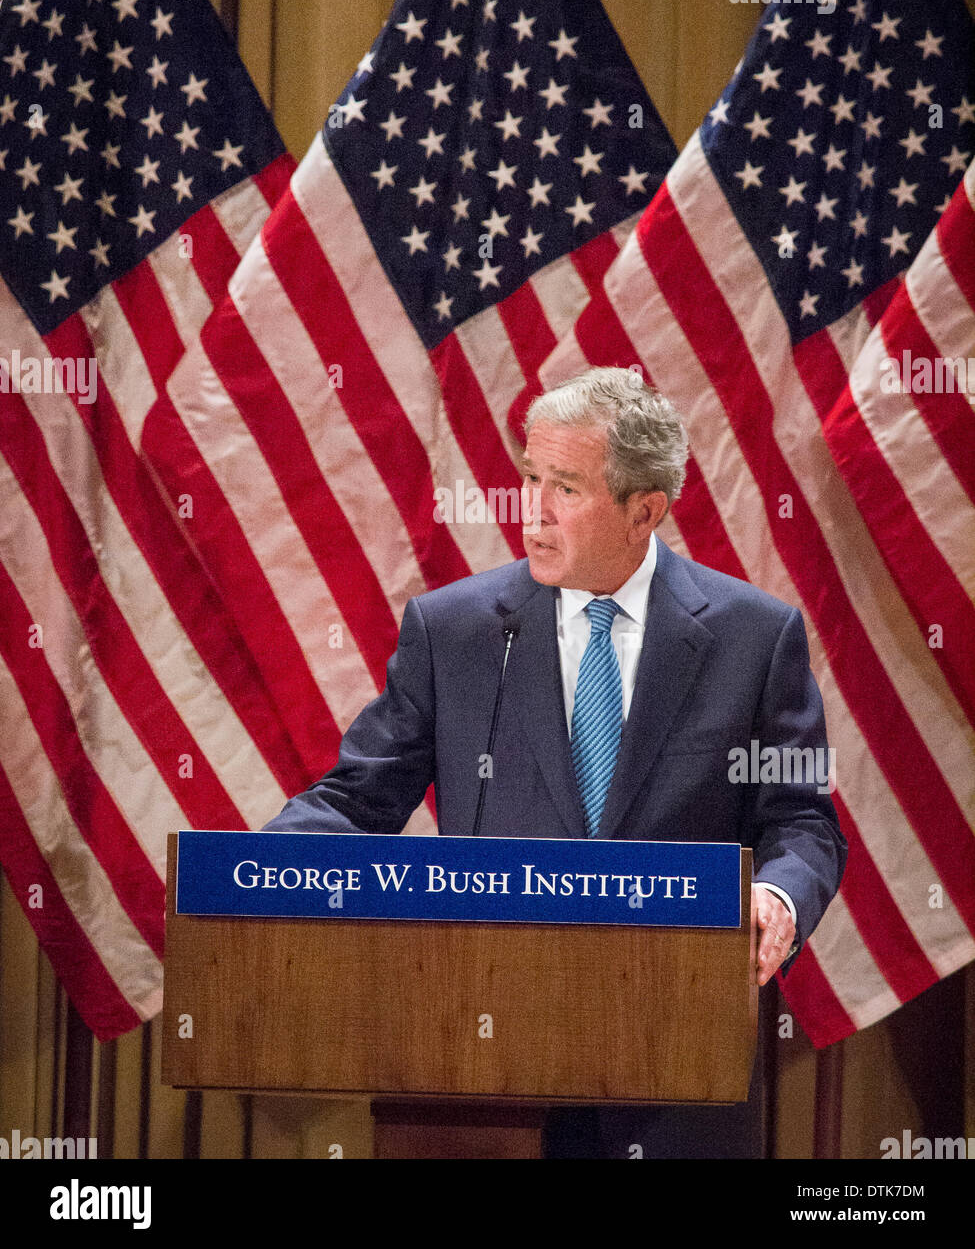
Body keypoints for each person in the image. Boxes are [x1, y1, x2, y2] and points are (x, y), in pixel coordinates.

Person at [262, 367, 847, 1158]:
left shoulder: (752, 636)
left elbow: (799, 821)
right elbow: (359, 797)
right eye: (530, 476)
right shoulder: (456, 630)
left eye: (564, 487)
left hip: (674, 1048)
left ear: (645, 511)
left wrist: (776, 899)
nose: (531, 509)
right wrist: (252, 869)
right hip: (481, 1047)